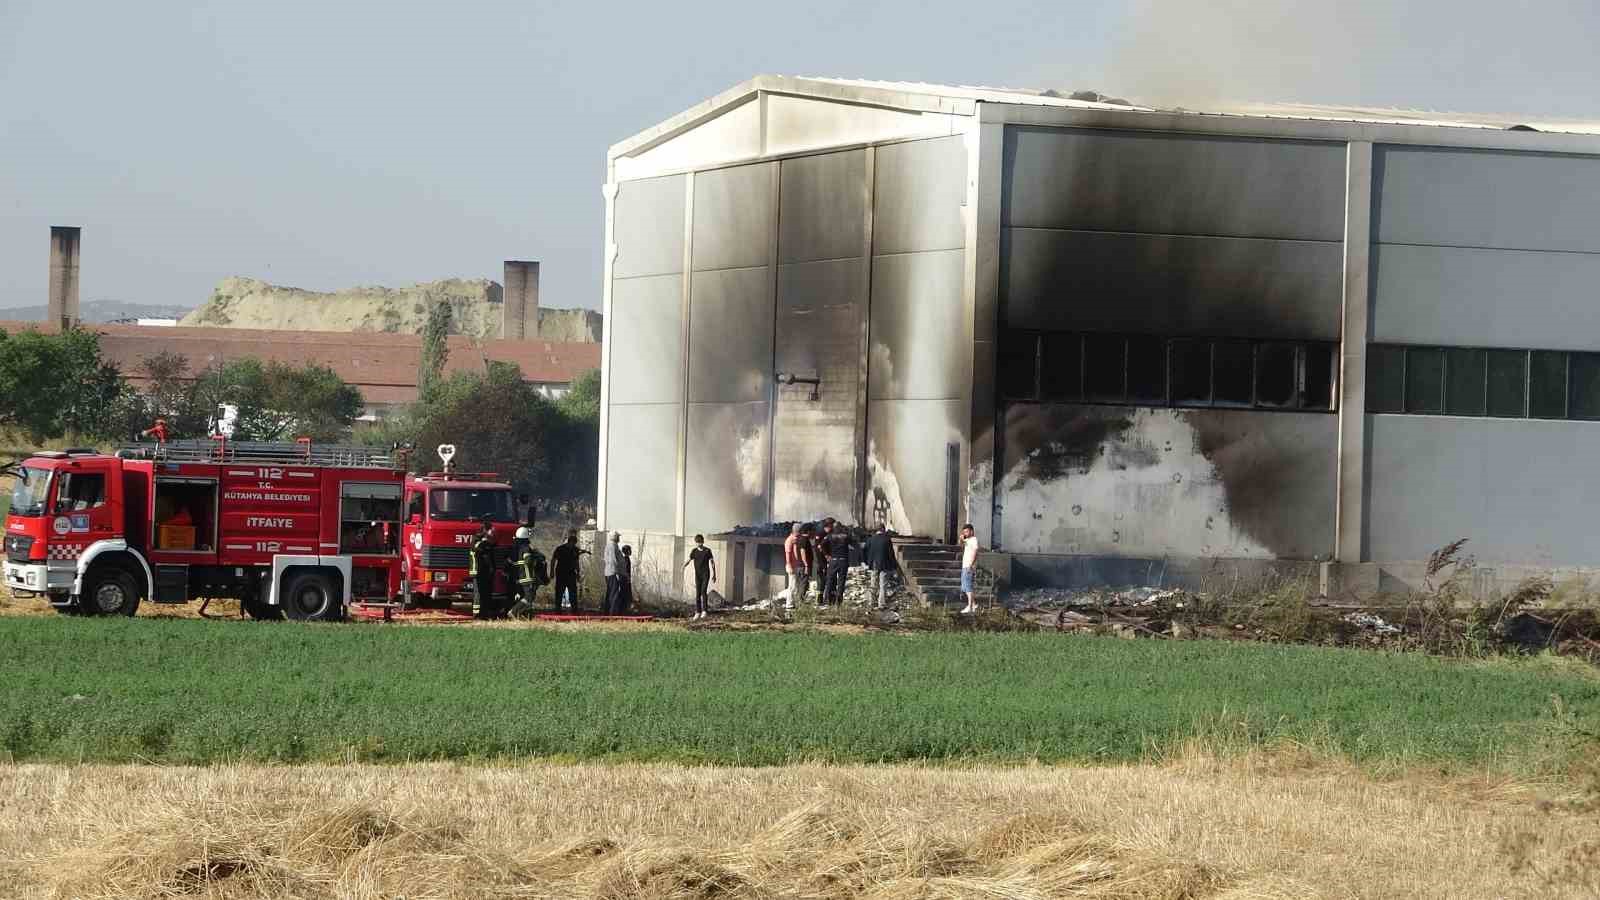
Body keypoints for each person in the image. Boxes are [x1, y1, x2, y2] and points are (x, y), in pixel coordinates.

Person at [550, 529, 589, 612]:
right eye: (572, 543)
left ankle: (574, 609)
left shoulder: (575, 549)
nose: (573, 545)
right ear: (569, 542)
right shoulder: (560, 549)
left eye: (574, 544)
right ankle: (557, 608)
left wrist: (578, 573)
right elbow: (553, 560)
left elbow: (576, 562)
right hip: (561, 573)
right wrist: (551, 572)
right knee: (559, 591)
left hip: (571, 573)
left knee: (573, 592)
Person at [820, 520, 855, 608]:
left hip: (833, 560)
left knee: (830, 580)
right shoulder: (846, 536)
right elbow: (854, 543)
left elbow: (821, 545)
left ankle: (827, 600)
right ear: (841, 527)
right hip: (843, 561)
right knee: (841, 582)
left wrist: (827, 555)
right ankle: (838, 602)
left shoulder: (830, 536)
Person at [469, 519, 499, 620]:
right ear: (485, 530)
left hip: (485, 572)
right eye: (490, 530)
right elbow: (477, 548)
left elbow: (492, 549)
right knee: (478, 593)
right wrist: (485, 540)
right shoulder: (476, 540)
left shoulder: (487, 542)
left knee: (486, 592)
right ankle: (476, 614)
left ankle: (484, 613)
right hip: (477, 571)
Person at [683, 534, 717, 620]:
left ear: (703, 542)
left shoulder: (707, 551)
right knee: (698, 593)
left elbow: (712, 562)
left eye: (701, 542)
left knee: (703, 591)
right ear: (696, 543)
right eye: (698, 542)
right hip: (697, 575)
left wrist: (714, 574)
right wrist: (683, 566)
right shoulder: (694, 551)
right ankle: (698, 612)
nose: (699, 544)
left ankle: (705, 611)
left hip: (706, 574)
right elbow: (689, 560)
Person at [863, 523, 896, 610]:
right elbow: (891, 554)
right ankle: (881, 604)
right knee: (883, 585)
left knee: (873, 584)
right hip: (884, 565)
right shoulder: (887, 540)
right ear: (883, 529)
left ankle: (871, 602)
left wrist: (866, 562)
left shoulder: (870, 539)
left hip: (874, 564)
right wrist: (894, 566)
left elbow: (864, 551)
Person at [782, 524, 808, 611]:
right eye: (799, 532)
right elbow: (788, 554)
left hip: (797, 566)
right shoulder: (789, 541)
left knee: (796, 586)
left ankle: (794, 603)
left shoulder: (796, 539)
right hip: (792, 566)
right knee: (792, 586)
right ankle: (789, 604)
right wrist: (789, 565)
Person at [959, 523, 980, 615]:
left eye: (967, 531)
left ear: (972, 531)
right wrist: (961, 538)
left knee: (968, 587)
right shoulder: (968, 540)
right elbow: (961, 544)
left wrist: (971, 565)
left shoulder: (974, 540)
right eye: (964, 532)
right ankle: (974, 605)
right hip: (965, 566)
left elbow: (976, 551)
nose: (966, 533)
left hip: (969, 566)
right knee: (965, 586)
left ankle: (970, 606)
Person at [602, 531, 622, 615]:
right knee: (614, 593)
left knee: (610, 592)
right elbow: (613, 560)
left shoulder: (610, 545)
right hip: (612, 572)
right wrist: (617, 572)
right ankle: (612, 612)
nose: (619, 538)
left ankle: (608, 611)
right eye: (618, 536)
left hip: (608, 571)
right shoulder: (613, 546)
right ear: (615, 537)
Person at [617, 545, 635, 614]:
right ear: (627, 551)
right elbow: (626, 570)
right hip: (625, 579)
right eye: (630, 550)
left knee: (624, 594)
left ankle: (623, 610)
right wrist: (628, 578)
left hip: (624, 579)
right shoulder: (626, 559)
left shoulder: (625, 559)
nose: (631, 551)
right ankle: (623, 610)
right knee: (625, 594)